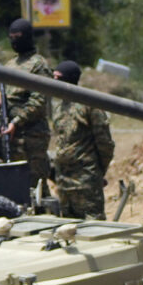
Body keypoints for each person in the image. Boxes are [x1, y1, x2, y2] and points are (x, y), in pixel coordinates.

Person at [48, 61, 114, 220]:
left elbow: (105, 143)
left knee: (93, 227)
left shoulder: (89, 104)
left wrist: (98, 173)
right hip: (64, 183)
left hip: (85, 181)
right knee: (69, 229)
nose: (54, 82)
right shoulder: (59, 109)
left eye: (59, 78)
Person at [3, 20, 58, 189]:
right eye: (11, 37)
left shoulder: (38, 65)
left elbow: (39, 101)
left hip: (32, 136)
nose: (14, 41)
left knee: (36, 184)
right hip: (11, 136)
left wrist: (17, 121)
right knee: (16, 184)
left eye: (18, 37)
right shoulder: (10, 64)